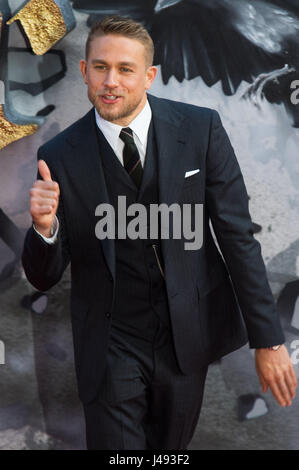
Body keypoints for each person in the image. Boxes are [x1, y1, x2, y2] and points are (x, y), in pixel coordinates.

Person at [22, 15, 297, 450]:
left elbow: (237, 240)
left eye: (125, 69)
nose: (110, 81)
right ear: (84, 71)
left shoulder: (200, 130)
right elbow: (43, 276)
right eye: (100, 67)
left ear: (148, 76)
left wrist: (268, 341)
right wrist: (44, 228)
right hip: (110, 344)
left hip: (186, 338)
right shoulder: (58, 154)